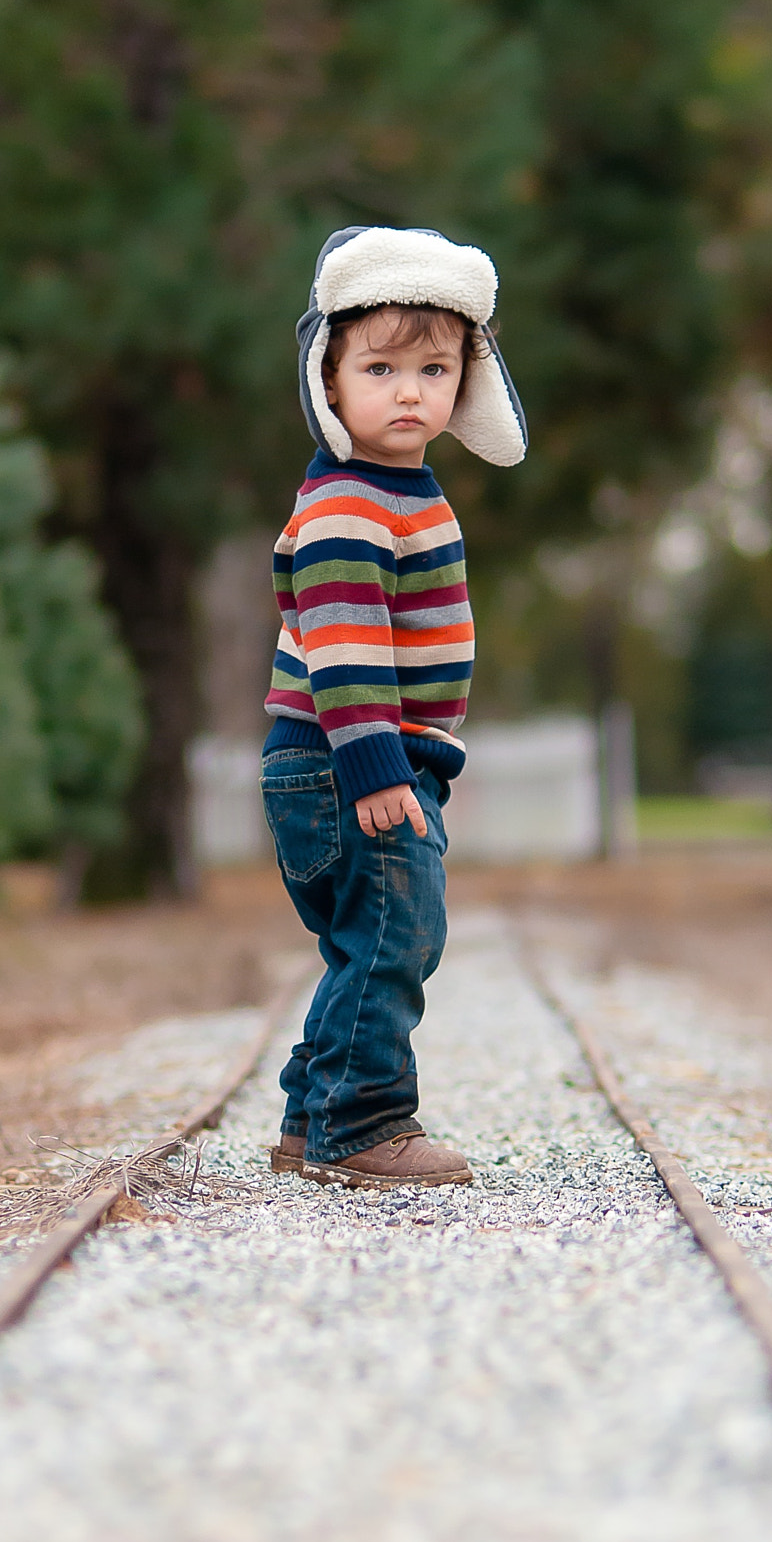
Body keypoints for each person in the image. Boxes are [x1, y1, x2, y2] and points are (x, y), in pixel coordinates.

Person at [260, 226, 527, 1188]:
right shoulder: (348, 505)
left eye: (434, 367)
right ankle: (363, 1123)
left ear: (467, 383)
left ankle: (311, 1115)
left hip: (367, 760)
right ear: (329, 381)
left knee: (366, 940)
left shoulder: (402, 492)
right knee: (393, 937)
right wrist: (374, 768)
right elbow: (345, 643)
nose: (409, 391)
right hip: (348, 762)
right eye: (380, 367)